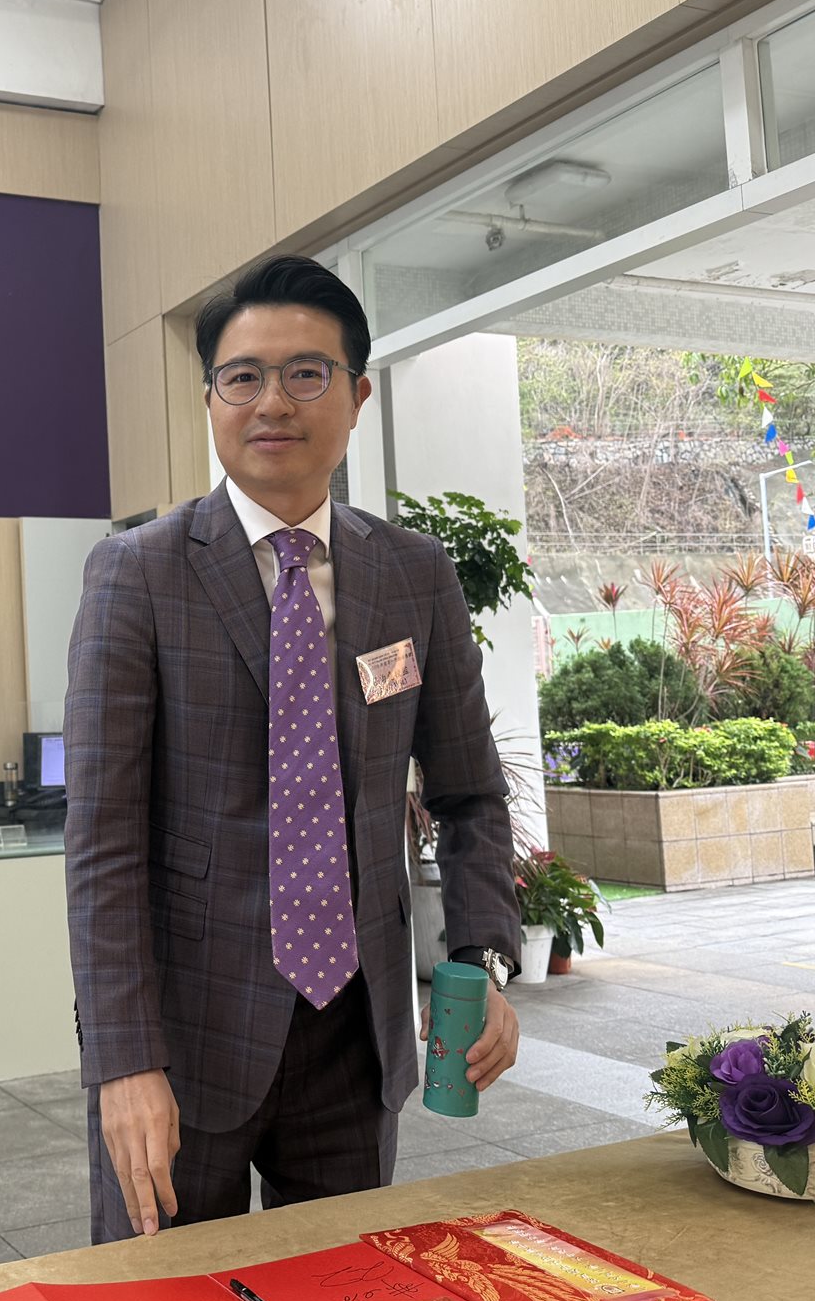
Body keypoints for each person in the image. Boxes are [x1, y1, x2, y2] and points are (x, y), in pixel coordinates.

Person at [64, 254, 522, 1243]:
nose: (272, 402)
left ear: (356, 397)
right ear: (210, 400)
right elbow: (103, 843)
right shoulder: (136, 575)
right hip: (182, 1048)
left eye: (306, 373)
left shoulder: (413, 574)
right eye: (243, 377)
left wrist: (478, 953)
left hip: (354, 1044)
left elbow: (470, 794)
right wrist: (123, 1060)